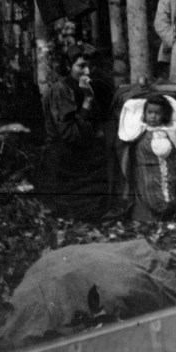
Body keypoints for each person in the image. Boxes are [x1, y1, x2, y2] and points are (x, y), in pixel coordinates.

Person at [38, 42, 112, 220]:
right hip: (65, 161)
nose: (87, 71)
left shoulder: (91, 86)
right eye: (81, 66)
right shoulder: (61, 91)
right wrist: (87, 102)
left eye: (91, 66)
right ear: (68, 66)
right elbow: (70, 134)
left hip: (86, 157)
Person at [117, 93, 176, 222]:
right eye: (150, 112)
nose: (153, 116)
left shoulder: (170, 131)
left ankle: (169, 212)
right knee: (148, 192)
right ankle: (150, 216)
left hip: (169, 170)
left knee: (171, 191)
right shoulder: (139, 132)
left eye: (157, 113)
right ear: (144, 113)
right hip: (146, 172)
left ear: (164, 114)